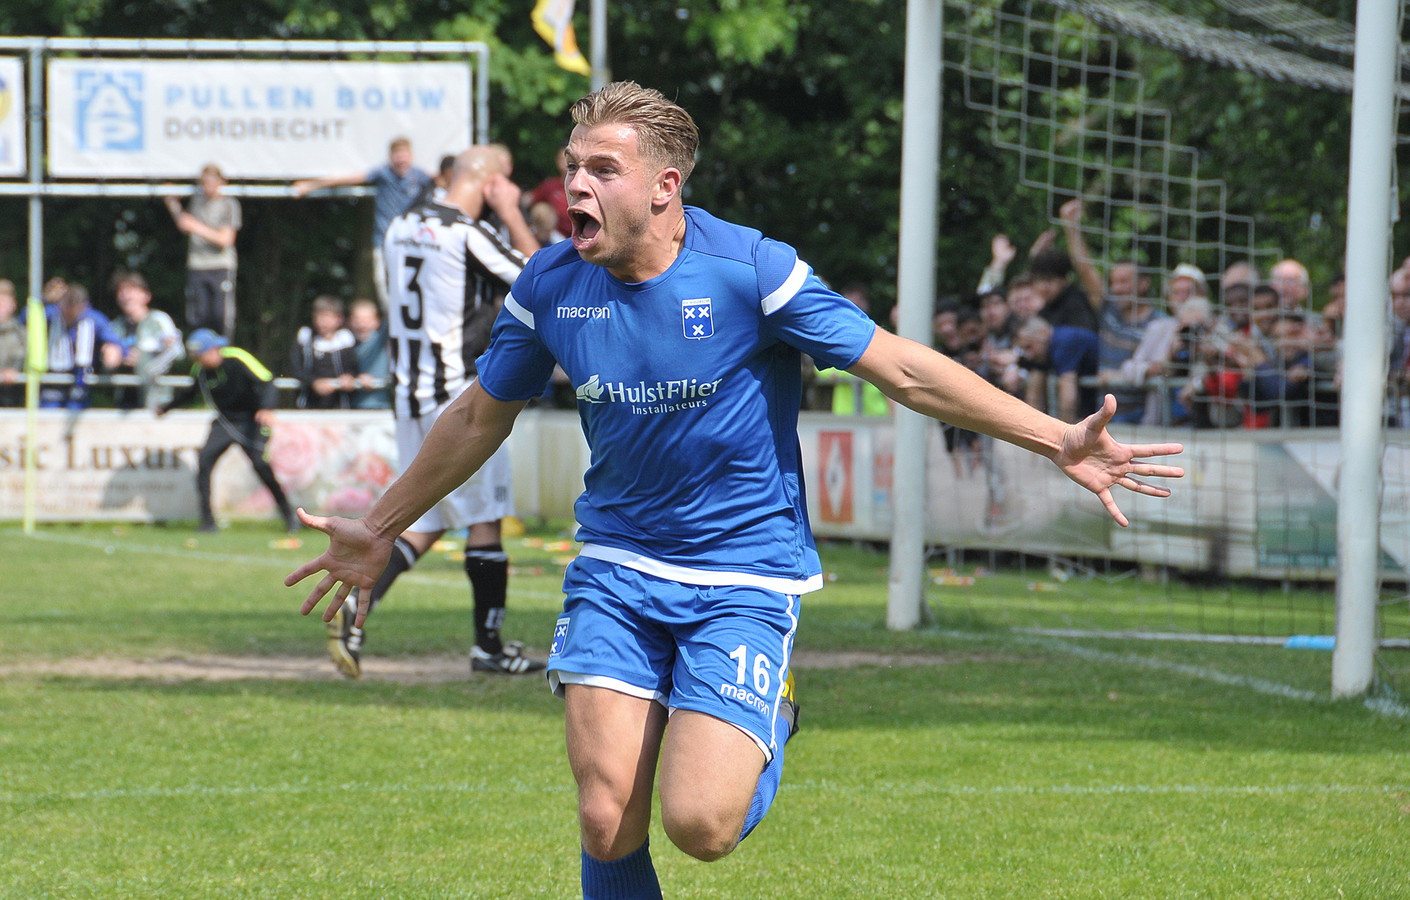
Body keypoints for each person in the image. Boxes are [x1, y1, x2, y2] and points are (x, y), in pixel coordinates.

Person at [286, 82, 1183, 899]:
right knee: (605, 820)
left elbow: (901, 370)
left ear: (665, 186)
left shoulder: (752, 269)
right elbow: (482, 414)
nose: (576, 190)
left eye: (602, 170)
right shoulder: (552, 284)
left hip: (745, 576)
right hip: (616, 566)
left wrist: (1056, 436)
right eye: (571, 170)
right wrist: (381, 525)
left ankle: (774, 708)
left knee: (701, 826)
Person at [317, 145, 543, 681]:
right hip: (456, 397)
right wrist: (511, 213)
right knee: (484, 522)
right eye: (503, 184)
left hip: (407, 393)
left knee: (425, 521)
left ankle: (354, 608)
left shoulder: (400, 224)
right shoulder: (466, 232)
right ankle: (489, 647)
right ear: (489, 182)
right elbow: (544, 279)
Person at [157, 329, 298, 534]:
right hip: (225, 422)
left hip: (253, 420)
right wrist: (166, 407)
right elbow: (190, 393)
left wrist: (266, 408)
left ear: (215, 349)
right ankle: (208, 522)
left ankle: (290, 516)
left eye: (203, 354)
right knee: (204, 461)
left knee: (260, 465)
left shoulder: (237, 358)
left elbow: (268, 381)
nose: (200, 360)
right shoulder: (201, 371)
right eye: (196, 356)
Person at [293, 136, 434, 309]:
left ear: (411, 156)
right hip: (384, 243)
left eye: (404, 155)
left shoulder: (421, 177)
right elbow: (345, 179)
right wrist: (310, 186)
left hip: (413, 244)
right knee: (385, 293)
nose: (401, 159)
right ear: (391, 157)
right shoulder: (383, 173)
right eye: (397, 155)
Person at [165, 164, 241, 338]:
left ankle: (222, 353)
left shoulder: (229, 204)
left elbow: (226, 239)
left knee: (220, 315)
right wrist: (171, 202)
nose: (208, 185)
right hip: (197, 264)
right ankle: (200, 355)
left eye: (212, 180)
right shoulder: (198, 201)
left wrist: (196, 227)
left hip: (220, 265)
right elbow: (184, 223)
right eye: (204, 181)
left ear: (222, 181)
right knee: (198, 315)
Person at [41, 283, 122, 411]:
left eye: (74, 309)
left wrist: (112, 350)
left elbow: (114, 343)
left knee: (76, 410)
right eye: (66, 307)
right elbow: (25, 319)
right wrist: (44, 299)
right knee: (48, 411)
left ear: (83, 306)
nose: (69, 314)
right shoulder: (50, 314)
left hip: (80, 376)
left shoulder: (94, 319)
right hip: (52, 376)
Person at [110, 272, 183, 410]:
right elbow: (105, 363)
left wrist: (145, 361)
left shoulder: (159, 320)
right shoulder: (114, 326)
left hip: (157, 399)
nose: (126, 295)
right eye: (121, 291)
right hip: (124, 399)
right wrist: (116, 359)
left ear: (146, 296)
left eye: (131, 290)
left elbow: (177, 353)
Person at [290, 295, 360, 410]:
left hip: (340, 407)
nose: (321, 320)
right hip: (309, 407)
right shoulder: (305, 338)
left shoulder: (346, 340)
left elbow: (354, 367)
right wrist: (314, 382)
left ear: (339, 319)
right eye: (318, 315)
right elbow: (296, 369)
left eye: (326, 316)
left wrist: (349, 377)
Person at [347, 298, 391, 410]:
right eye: (357, 319)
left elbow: (390, 314)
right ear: (351, 321)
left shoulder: (379, 339)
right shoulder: (346, 343)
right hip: (352, 407)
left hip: (379, 405)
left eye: (366, 320)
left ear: (376, 322)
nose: (361, 324)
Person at [0, 280, 25, 407]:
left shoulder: (21, 333)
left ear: (13, 305)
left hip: (12, 397)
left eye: (4, 302)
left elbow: (26, 358)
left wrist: (15, 370)